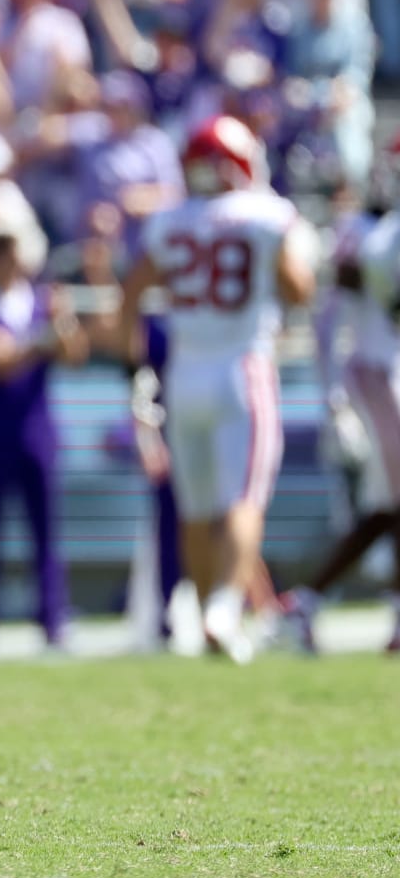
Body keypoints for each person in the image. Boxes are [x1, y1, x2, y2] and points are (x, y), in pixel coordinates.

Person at [119, 115, 316, 664]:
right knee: (244, 497)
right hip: (242, 367)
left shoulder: (170, 220)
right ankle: (225, 609)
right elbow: (300, 289)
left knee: (197, 506)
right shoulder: (267, 215)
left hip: (184, 374)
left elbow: (131, 291)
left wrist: (134, 364)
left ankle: (207, 611)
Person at [284, 181, 400, 652]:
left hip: (377, 369)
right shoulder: (373, 235)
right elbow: (351, 292)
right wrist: (331, 386)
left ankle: (306, 601)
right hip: (376, 372)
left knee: (385, 507)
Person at [0, 228, 88, 650]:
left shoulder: (39, 305)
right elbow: (1, 363)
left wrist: (62, 321)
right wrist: (44, 337)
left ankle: (53, 621)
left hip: (38, 432)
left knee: (46, 531)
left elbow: (75, 356)